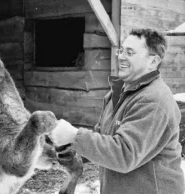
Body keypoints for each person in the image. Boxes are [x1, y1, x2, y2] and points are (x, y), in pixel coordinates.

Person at [49, 28, 185, 194]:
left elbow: (124, 155)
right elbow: (104, 137)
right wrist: (66, 148)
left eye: (130, 52)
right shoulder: (120, 92)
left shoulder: (153, 100)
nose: (121, 56)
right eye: (121, 50)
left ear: (153, 61)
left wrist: (74, 136)